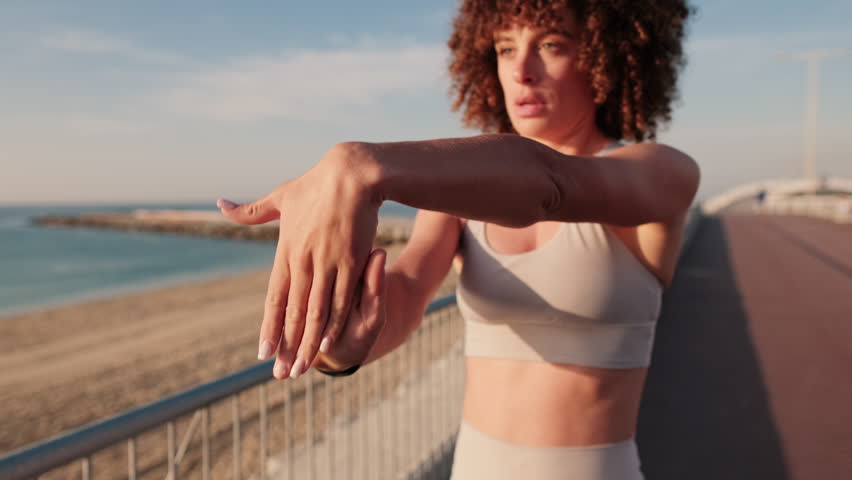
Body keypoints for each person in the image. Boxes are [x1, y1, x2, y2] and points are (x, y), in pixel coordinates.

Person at [218, 0, 697, 478]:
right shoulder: (468, 185)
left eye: (550, 45)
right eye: (506, 49)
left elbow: (550, 183)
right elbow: (406, 289)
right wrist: (339, 345)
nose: (522, 71)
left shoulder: (662, 172)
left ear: (606, 54)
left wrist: (358, 165)